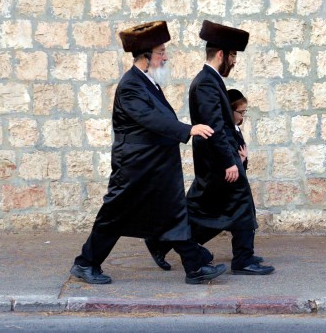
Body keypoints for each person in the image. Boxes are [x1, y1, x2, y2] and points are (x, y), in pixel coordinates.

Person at [70, 21, 226, 285]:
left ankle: (195, 266)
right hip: (134, 167)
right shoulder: (131, 85)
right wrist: (189, 130)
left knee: (174, 212)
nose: (165, 57)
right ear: (145, 57)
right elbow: (152, 120)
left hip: (156, 166)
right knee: (113, 217)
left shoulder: (148, 82)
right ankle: (86, 263)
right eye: (160, 52)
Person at [186, 20, 274, 275]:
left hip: (220, 158)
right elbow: (215, 127)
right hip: (217, 160)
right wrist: (229, 162)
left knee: (235, 206)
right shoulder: (206, 82)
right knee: (225, 206)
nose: (235, 61)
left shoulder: (212, 80)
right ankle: (241, 259)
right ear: (221, 54)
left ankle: (244, 257)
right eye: (233, 54)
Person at [227, 89, 249, 171]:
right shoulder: (226, 133)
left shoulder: (236, 129)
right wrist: (241, 160)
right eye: (241, 112)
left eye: (244, 112)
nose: (242, 116)